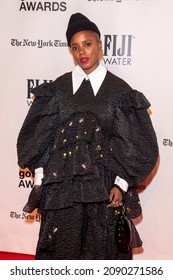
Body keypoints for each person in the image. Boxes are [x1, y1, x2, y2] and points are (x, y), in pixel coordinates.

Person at [17, 13, 158, 260]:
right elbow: (39, 138)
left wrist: (122, 183)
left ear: (100, 45)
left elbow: (136, 143)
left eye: (88, 43)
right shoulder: (58, 90)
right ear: (70, 50)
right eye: (75, 47)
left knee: (100, 254)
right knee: (64, 254)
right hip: (63, 194)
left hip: (104, 192)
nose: (82, 52)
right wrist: (41, 180)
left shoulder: (120, 91)